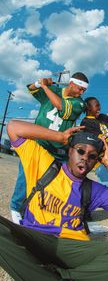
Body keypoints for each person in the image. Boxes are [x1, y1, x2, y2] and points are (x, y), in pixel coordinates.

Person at [0, 120, 108, 281]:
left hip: (71, 247)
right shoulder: (43, 164)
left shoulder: (92, 189)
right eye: (80, 151)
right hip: (35, 238)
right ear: (70, 151)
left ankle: (50, 279)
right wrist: (60, 136)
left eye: (92, 156)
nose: (85, 158)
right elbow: (13, 127)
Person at [10, 72, 89, 224]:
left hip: (59, 149)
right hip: (39, 143)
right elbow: (32, 89)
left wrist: (46, 87)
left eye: (84, 90)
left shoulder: (80, 103)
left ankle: (54, 210)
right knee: (26, 175)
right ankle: (16, 208)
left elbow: (62, 108)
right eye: (80, 89)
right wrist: (40, 83)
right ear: (71, 84)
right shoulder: (53, 90)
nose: (82, 92)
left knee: (60, 182)